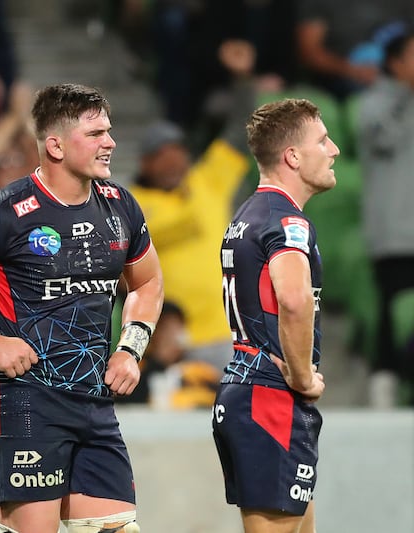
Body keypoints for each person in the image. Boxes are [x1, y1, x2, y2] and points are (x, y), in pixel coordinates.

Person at [0, 83, 164, 533]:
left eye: (110, 131)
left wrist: (131, 348)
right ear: (56, 145)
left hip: (93, 403)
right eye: (96, 133)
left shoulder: (121, 206)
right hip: (22, 400)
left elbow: (149, 280)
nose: (111, 142)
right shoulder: (4, 212)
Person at [212, 98, 338, 533]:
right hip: (269, 397)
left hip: (252, 390)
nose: (334, 149)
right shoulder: (287, 223)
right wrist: (303, 377)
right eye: (323, 140)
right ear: (293, 156)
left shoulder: (248, 216)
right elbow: (294, 299)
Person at [128, 40, 259, 375]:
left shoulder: (207, 181)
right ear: (145, 162)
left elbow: (239, 131)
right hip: (175, 344)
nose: (174, 160)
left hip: (233, 333)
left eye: (179, 151)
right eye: (163, 154)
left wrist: (242, 79)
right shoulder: (128, 204)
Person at [356, 31, 414, 406]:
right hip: (394, 230)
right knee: (390, 306)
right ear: (394, 62)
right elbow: (384, 139)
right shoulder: (373, 104)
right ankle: (384, 378)